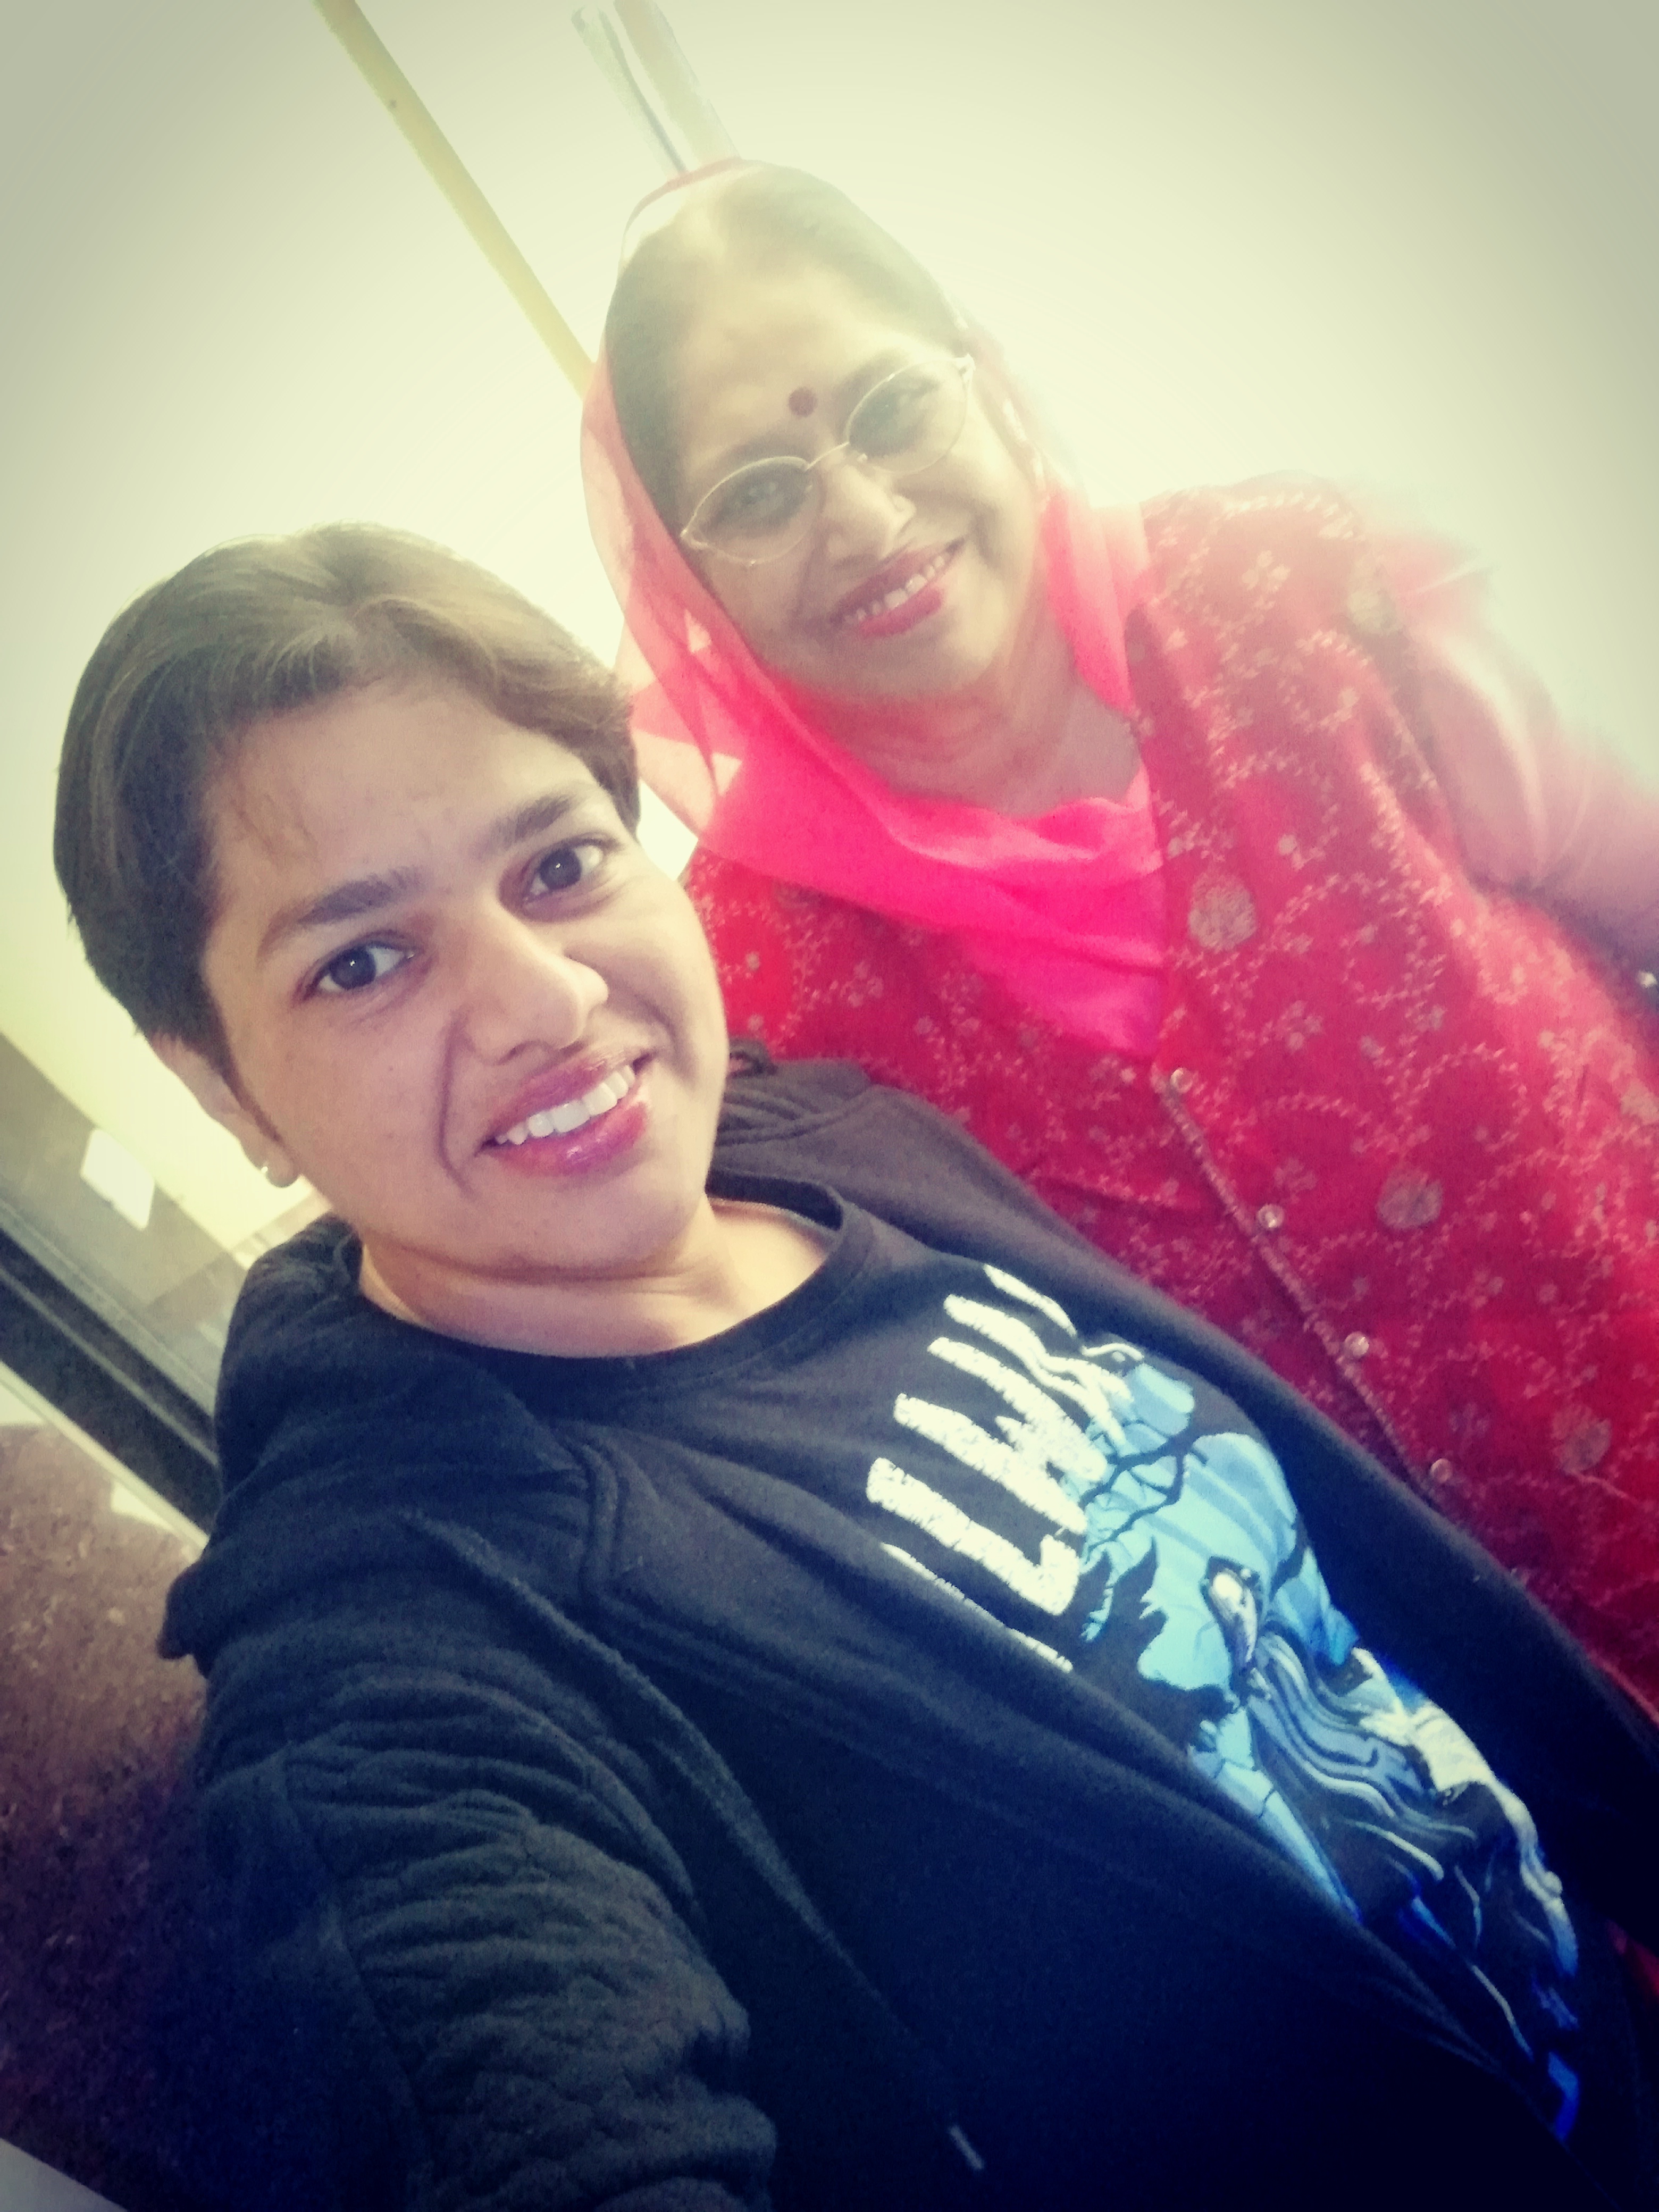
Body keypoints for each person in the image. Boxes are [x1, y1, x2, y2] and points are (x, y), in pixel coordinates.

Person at [53, 524, 1659, 2210]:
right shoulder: (397, 1653)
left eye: (560, 865)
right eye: (362, 962)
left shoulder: (832, 1140)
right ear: (218, 1084)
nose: (542, 998)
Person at [582, 162, 1659, 1715]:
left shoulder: (1305, 597)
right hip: (1426, 1757)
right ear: (689, 580)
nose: (865, 519)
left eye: (892, 407)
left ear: (987, 381)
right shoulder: (748, 991)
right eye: (757, 493)